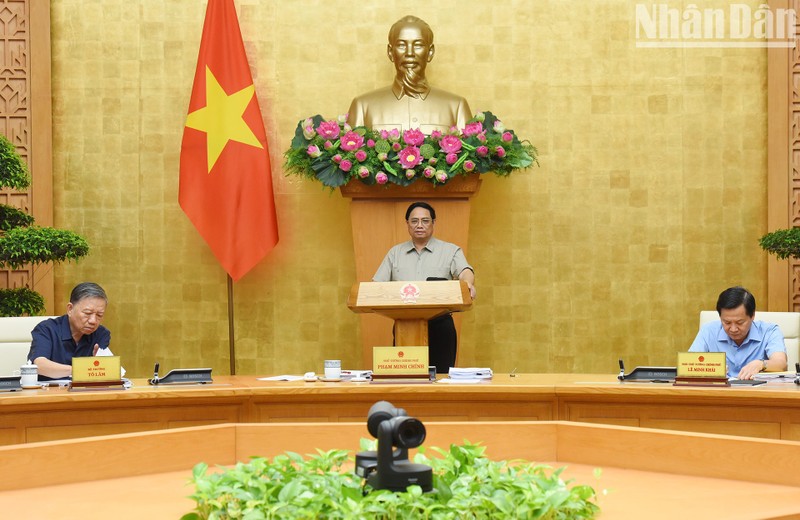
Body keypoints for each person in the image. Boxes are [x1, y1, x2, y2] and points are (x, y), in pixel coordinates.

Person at [373, 201, 476, 373]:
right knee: (405, 378)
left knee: (440, 378)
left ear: (433, 223)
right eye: (414, 221)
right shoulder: (395, 253)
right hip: (404, 325)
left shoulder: (450, 250)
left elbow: (465, 271)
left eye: (425, 220)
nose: (419, 225)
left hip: (440, 325)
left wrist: (468, 283)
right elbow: (377, 286)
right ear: (407, 224)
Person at [347, 15, 472, 133]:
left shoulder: (456, 107)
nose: (410, 53)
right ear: (390, 52)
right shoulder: (362, 107)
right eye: (401, 45)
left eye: (418, 45)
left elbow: (470, 153)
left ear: (430, 52)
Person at [689, 286, 787, 380]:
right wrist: (709, 368)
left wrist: (761, 364)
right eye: (727, 322)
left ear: (752, 315)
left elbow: (781, 364)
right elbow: (689, 364)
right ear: (720, 317)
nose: (733, 329)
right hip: (719, 393)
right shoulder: (709, 330)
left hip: (756, 393)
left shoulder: (769, 331)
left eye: (740, 322)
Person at [28, 282, 111, 380]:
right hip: (48, 392)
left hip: (84, 392)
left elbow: (102, 370)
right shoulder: (46, 329)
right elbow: (39, 365)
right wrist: (81, 370)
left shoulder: (101, 334)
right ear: (70, 309)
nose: (93, 321)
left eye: (99, 315)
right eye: (88, 313)